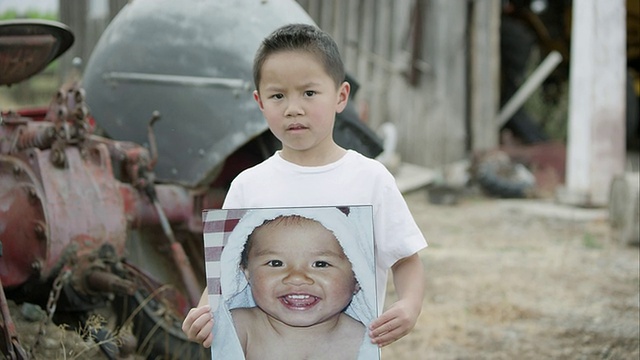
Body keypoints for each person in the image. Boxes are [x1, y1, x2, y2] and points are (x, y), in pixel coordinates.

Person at [182, 22, 427, 350]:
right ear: (259, 102)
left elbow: (405, 259)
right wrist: (204, 314)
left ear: (341, 96)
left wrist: (409, 306)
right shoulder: (247, 185)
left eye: (309, 93)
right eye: (277, 95)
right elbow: (224, 273)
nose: (293, 108)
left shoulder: (370, 178)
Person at [209, 207, 378, 359]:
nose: (297, 277)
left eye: (320, 264)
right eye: (276, 263)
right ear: (246, 273)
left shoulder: (366, 339)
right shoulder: (238, 327)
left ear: (357, 278)